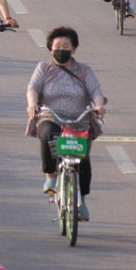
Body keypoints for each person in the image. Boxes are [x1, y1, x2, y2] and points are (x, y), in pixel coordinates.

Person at [26, 26, 106, 218]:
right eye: (58, 45)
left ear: (73, 49)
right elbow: (33, 88)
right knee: (49, 135)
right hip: (51, 116)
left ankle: (83, 201)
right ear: (50, 48)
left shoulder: (85, 70)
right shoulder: (43, 68)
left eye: (66, 46)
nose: (62, 49)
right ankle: (51, 177)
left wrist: (98, 106)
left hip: (79, 121)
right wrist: (33, 104)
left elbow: (96, 91)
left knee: (83, 161)